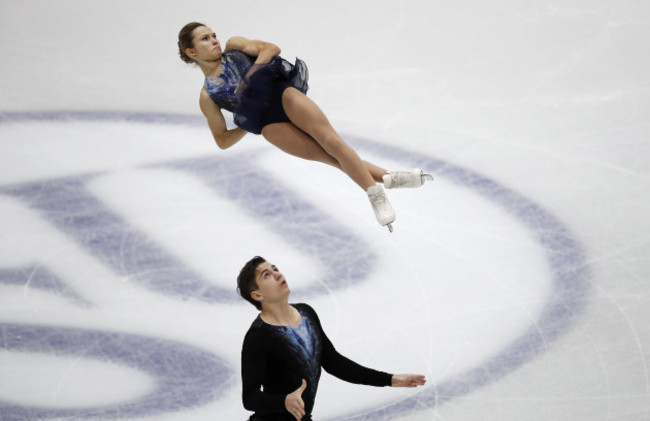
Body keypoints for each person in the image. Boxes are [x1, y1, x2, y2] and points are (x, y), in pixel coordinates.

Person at [177, 22, 433, 232]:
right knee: (330, 158)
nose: (214, 41)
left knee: (333, 143)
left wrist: (252, 76)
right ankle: (390, 178)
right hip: (268, 125)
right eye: (205, 39)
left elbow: (270, 48)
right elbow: (222, 140)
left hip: (283, 97)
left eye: (213, 35)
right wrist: (248, 119)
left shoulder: (234, 47)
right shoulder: (207, 95)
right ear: (191, 52)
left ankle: (376, 195)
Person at [236, 256, 426, 420]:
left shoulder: (306, 313)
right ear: (257, 294)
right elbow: (250, 398)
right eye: (266, 275)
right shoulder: (259, 336)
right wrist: (284, 401)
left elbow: (333, 362)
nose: (277, 274)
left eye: (275, 268)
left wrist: (390, 379)